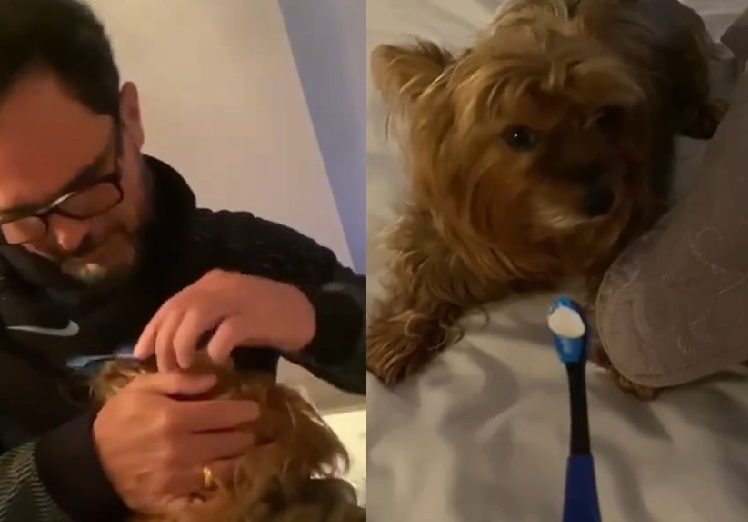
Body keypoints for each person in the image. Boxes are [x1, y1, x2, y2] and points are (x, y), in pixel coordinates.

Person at [0, 0, 365, 521]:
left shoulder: (241, 251)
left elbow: (416, 353)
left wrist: (314, 318)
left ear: (131, 118)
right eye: (21, 216)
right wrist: (80, 468)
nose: (69, 235)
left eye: (86, 187)